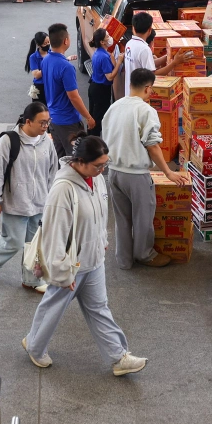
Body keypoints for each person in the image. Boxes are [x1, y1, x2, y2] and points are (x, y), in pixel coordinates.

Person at [22, 135, 147, 376]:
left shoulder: (96, 179)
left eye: (105, 165)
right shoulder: (63, 190)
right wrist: (61, 273)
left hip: (94, 260)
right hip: (71, 266)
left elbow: (100, 215)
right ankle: (35, 347)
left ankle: (118, 357)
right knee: (53, 308)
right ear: (79, 161)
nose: (102, 170)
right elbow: (54, 234)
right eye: (98, 165)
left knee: (99, 308)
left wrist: (102, 241)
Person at [102, 68, 190, 270]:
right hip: (135, 175)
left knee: (122, 218)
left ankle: (124, 259)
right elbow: (152, 145)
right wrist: (168, 172)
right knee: (143, 218)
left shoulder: (114, 107)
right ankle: (145, 254)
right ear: (148, 88)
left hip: (114, 172)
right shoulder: (145, 111)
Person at [0, 102, 57, 293]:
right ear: (28, 121)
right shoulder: (8, 142)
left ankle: (31, 280)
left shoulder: (46, 141)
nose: (45, 127)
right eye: (42, 123)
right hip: (16, 202)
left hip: (40, 202)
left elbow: (53, 170)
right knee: (15, 241)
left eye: (47, 122)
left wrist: (52, 197)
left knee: (34, 245)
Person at [42, 23, 94, 156]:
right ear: (65, 41)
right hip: (68, 122)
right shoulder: (66, 67)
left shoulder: (46, 60)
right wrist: (88, 117)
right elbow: (74, 96)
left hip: (53, 119)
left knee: (60, 159)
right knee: (76, 159)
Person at [123, 11, 196, 95]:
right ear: (150, 30)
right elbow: (154, 75)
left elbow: (147, 64)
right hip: (139, 95)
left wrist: (168, 55)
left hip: (130, 93)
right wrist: (174, 63)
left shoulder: (130, 44)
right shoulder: (144, 49)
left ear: (133, 28)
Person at [87, 29, 124, 136]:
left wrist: (113, 60)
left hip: (94, 87)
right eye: (107, 36)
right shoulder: (103, 57)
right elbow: (110, 77)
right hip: (100, 90)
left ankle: (89, 140)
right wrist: (119, 62)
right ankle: (93, 142)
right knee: (98, 119)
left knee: (93, 116)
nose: (110, 37)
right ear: (102, 42)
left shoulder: (100, 53)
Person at [25, 31, 49, 103]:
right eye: (45, 43)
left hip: (51, 84)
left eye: (48, 42)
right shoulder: (33, 57)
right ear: (38, 45)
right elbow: (36, 75)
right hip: (40, 87)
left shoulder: (52, 53)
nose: (48, 44)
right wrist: (49, 67)